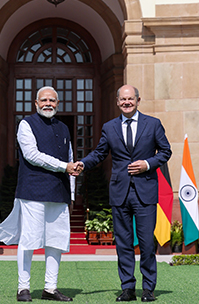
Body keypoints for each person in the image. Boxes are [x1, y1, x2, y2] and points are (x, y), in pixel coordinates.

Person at [73, 84, 172, 303]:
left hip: (145, 192)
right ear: (117, 102)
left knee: (146, 243)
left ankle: (148, 289)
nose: (126, 102)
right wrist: (83, 163)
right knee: (123, 243)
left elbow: (166, 151)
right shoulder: (109, 127)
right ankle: (127, 288)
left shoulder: (153, 124)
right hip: (120, 193)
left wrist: (147, 164)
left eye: (130, 99)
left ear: (138, 100)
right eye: (122, 99)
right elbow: (99, 153)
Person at [0, 86, 75, 302]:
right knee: (29, 240)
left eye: (52, 100)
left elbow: (71, 160)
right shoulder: (26, 124)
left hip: (59, 192)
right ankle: (23, 288)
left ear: (57, 103)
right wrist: (64, 166)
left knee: (56, 241)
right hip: (33, 191)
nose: (48, 103)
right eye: (44, 100)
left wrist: (71, 194)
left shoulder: (64, 128)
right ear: (36, 103)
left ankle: (50, 288)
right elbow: (32, 155)